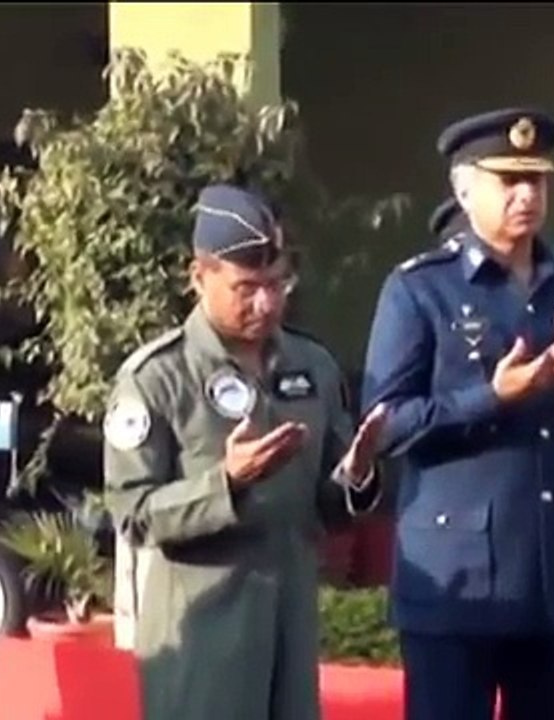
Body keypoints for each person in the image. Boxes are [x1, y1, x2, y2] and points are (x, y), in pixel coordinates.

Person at [103, 183, 388, 720]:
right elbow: (132, 514)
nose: (266, 302)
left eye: (278, 285)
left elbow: (329, 500)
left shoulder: (312, 366)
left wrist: (359, 474)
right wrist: (225, 484)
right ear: (198, 276)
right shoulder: (159, 377)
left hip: (291, 625)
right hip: (204, 635)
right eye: (246, 287)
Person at [360, 108, 554, 720]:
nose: (527, 195)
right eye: (508, 180)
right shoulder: (420, 290)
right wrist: (493, 396)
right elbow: (386, 424)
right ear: (464, 189)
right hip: (457, 583)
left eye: (537, 180)